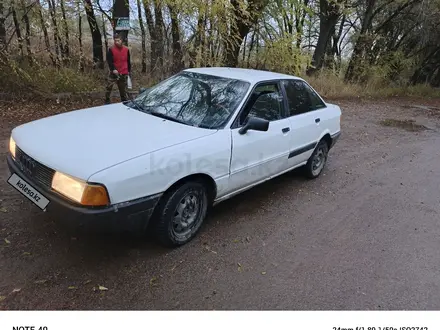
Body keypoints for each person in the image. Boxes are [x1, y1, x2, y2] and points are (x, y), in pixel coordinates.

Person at [104, 33, 132, 104]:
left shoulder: (126, 49)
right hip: (114, 72)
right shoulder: (111, 49)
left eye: (118, 40)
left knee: (123, 90)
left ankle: (124, 102)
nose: (117, 42)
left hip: (123, 72)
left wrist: (128, 71)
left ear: (121, 40)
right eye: (115, 41)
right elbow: (109, 61)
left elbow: (128, 61)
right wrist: (113, 69)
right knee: (109, 87)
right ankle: (107, 100)